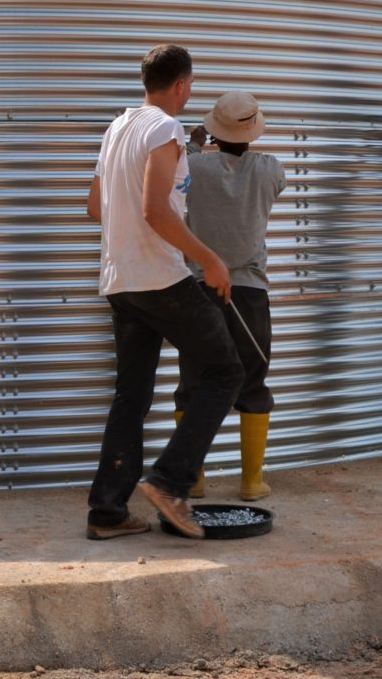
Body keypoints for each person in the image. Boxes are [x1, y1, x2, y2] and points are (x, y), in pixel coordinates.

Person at [84, 44, 243, 540]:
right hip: (158, 277)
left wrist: (131, 224)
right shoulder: (164, 128)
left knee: (131, 397)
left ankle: (107, 513)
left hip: (120, 281)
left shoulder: (118, 128)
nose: (190, 93)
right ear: (180, 85)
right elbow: (156, 210)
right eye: (191, 85)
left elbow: (94, 206)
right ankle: (170, 482)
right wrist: (210, 259)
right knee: (226, 371)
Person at [177, 90, 288, 501]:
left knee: (193, 380)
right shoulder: (270, 168)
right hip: (250, 291)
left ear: (212, 130)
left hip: (199, 288)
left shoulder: (193, 165)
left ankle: (193, 477)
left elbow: (179, 174)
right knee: (253, 380)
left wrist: (192, 143)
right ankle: (251, 481)